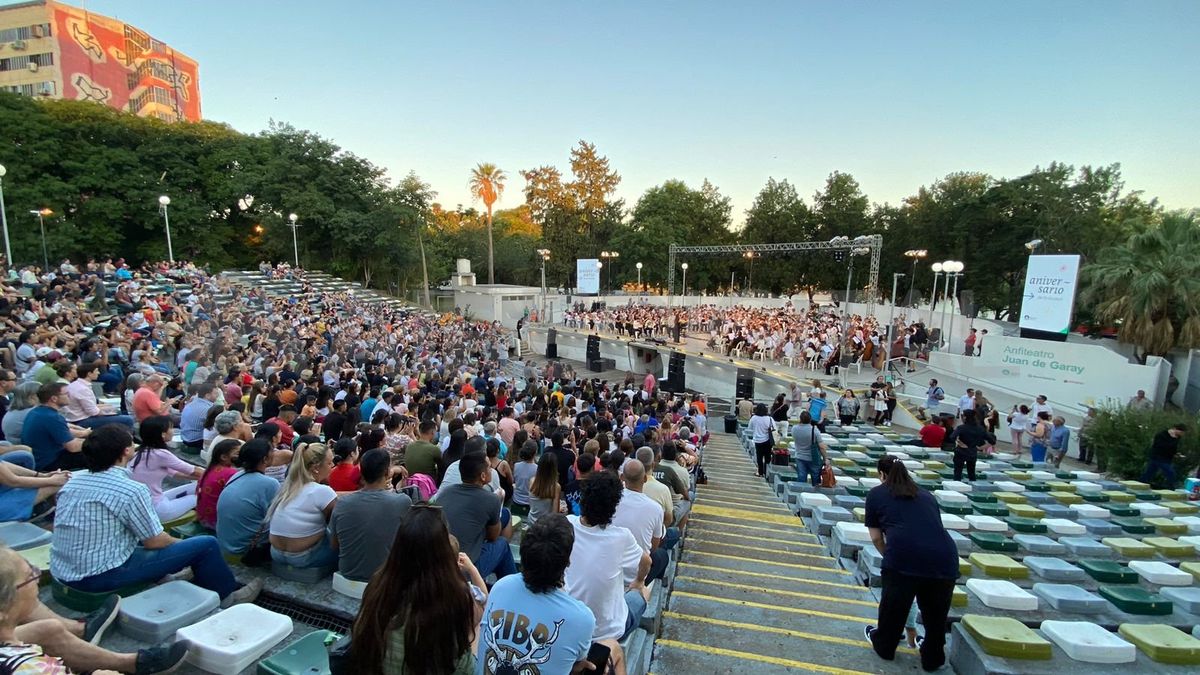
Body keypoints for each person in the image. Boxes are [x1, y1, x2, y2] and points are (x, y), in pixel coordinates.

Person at [49, 424, 262, 607]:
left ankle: (166, 576)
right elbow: (155, 541)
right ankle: (228, 597)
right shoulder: (130, 489)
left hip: (63, 571)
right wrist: (183, 548)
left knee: (135, 538)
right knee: (205, 545)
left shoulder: (73, 481)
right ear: (125, 452)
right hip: (98, 575)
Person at [0, 544, 192, 675]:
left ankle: (126, 660)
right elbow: (155, 540)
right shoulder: (27, 668)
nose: (38, 577)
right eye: (29, 575)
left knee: (48, 628)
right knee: (205, 544)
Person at [348, 506, 483, 674]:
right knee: (479, 627)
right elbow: (462, 665)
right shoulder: (454, 598)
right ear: (443, 553)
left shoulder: (378, 585)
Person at [863, 456, 958, 672]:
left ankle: (885, 645)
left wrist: (890, 556)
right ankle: (932, 658)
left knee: (893, 609)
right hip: (944, 559)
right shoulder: (926, 495)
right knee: (936, 616)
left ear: (882, 474)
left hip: (904, 556)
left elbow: (877, 538)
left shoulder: (877, 494)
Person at [477, 514, 599, 675]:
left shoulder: (501, 586)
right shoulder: (582, 618)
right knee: (611, 646)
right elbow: (575, 664)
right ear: (567, 561)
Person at [565, 470, 651, 649]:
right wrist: (638, 582)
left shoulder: (566, 524)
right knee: (642, 593)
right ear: (614, 505)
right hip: (608, 631)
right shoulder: (621, 536)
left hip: (569, 622)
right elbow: (647, 561)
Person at [330, 448, 413, 582]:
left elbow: (334, 545)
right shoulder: (402, 501)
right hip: (385, 577)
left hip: (347, 572)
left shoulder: (342, 503)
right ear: (387, 473)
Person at [435, 452, 516, 581]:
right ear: (483, 476)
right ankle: (509, 586)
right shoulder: (491, 499)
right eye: (489, 467)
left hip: (444, 561)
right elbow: (493, 536)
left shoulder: (445, 492)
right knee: (502, 544)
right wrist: (499, 502)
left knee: (505, 514)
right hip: (466, 568)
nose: (492, 470)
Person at [267, 442, 338, 570]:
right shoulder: (322, 491)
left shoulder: (287, 487)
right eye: (329, 463)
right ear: (316, 468)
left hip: (275, 553)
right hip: (304, 557)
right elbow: (338, 523)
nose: (333, 466)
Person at [128, 416, 204, 522]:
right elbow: (192, 470)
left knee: (197, 486)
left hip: (150, 503)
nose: (173, 431)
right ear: (163, 434)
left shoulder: (141, 452)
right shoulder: (160, 454)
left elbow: (176, 473)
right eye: (171, 428)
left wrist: (203, 477)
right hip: (157, 509)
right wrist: (218, 475)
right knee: (203, 496)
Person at [215, 439, 279, 559]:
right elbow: (278, 516)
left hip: (226, 543)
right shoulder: (270, 484)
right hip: (246, 548)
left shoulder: (236, 475)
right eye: (272, 451)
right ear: (265, 459)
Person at [612, 459, 670, 583]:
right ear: (645, 478)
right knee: (662, 554)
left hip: (612, 567)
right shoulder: (655, 508)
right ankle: (654, 587)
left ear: (622, 477)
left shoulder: (611, 500)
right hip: (637, 574)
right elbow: (654, 546)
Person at [23, 382, 89, 471]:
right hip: (49, 462)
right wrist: (99, 443)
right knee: (101, 454)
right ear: (54, 398)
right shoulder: (52, 417)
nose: (69, 396)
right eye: (66, 394)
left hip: (39, 459)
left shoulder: (35, 412)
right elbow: (73, 447)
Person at [63, 364, 134, 430]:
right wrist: (110, 412)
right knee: (128, 419)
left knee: (117, 411)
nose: (99, 373)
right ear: (89, 374)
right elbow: (93, 412)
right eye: (96, 371)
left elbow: (90, 407)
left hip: (77, 417)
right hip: (82, 421)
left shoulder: (74, 385)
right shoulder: (82, 389)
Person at [196, 439, 240, 530]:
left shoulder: (210, 468)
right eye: (237, 453)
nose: (241, 456)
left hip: (202, 517)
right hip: (215, 522)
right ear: (224, 457)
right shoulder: (230, 473)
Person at [947, 411, 994, 482]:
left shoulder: (961, 428)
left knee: (957, 473)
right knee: (971, 473)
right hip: (973, 451)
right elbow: (992, 441)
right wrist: (980, 448)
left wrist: (959, 442)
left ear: (965, 417)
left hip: (961, 452)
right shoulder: (980, 428)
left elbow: (952, 437)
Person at [1141, 424, 1187, 488]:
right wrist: (1173, 439)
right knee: (1170, 473)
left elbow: (1173, 448)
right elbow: (1160, 446)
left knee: (1150, 472)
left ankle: (1143, 483)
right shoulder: (1162, 435)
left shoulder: (1177, 437)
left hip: (1167, 458)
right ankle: (1171, 488)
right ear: (1175, 429)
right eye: (1181, 432)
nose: (1181, 434)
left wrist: (1176, 454)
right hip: (1158, 456)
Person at [790, 411, 828, 487]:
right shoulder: (814, 430)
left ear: (800, 419)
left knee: (801, 477)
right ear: (810, 419)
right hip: (813, 458)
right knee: (815, 479)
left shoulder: (794, 428)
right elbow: (822, 446)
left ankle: (800, 493)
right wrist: (825, 458)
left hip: (799, 456)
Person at [179, 383, 218, 451]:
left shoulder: (191, 402)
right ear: (207, 395)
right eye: (215, 394)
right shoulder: (209, 409)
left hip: (184, 437)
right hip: (196, 441)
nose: (217, 396)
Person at [528, 451, 562, 525]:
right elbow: (555, 514)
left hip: (531, 520)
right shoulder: (556, 487)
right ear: (554, 468)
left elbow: (531, 504)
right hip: (545, 525)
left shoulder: (532, 481)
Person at [509, 441, 537, 516]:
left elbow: (514, 480)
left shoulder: (516, 465)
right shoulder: (537, 468)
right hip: (530, 503)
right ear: (535, 453)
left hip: (516, 500)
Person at [748, 403, 774, 478]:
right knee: (767, 457)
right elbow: (774, 428)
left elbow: (750, 428)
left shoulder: (754, 418)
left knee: (759, 457)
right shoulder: (769, 418)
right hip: (768, 440)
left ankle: (760, 472)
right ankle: (767, 472)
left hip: (758, 440)